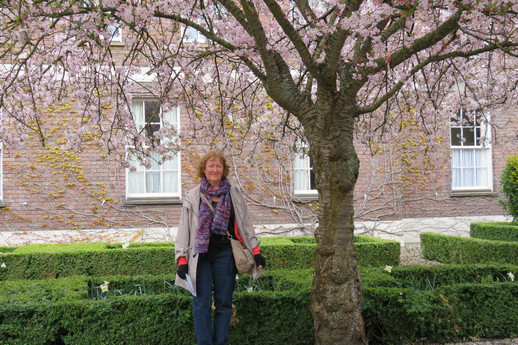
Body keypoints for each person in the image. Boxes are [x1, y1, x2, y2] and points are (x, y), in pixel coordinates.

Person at [175, 150, 266, 345]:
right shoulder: (193, 195)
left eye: (218, 166)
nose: (215, 169)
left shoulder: (233, 193)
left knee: (224, 303)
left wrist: (256, 251)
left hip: (226, 254)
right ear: (204, 169)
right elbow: (184, 229)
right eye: (211, 166)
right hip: (200, 257)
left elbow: (245, 223)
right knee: (201, 303)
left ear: (223, 170)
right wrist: (181, 259)